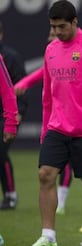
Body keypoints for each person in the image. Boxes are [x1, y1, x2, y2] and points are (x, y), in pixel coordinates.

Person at [23, 0, 82, 246]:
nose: (58, 32)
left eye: (62, 27)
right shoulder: (51, 50)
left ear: (75, 22)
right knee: (45, 175)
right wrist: (45, 130)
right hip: (57, 128)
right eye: (54, 27)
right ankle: (48, 238)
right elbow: (48, 95)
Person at [14, 28, 82, 216]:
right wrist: (24, 84)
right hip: (59, 125)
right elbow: (44, 77)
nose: (55, 36)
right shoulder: (53, 52)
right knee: (49, 172)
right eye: (51, 32)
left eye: (58, 30)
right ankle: (50, 230)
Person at [0, 20, 27, 210]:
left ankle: (10, 195)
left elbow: (16, 89)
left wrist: (16, 116)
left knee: (0, 153)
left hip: (5, 115)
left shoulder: (10, 58)